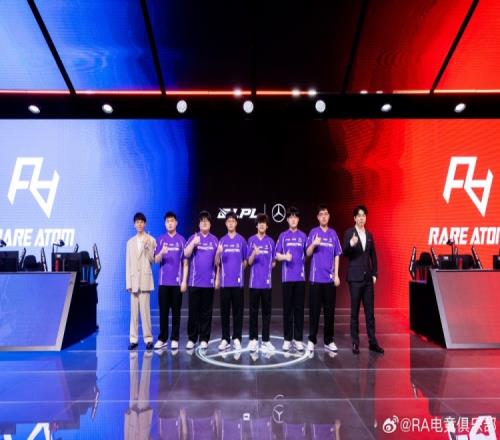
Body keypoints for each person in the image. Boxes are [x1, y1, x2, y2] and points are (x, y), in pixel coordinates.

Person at [342, 205, 384, 354]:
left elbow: (373, 256)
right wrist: (351, 244)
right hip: (355, 278)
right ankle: (355, 342)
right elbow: (344, 252)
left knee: (370, 313)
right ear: (354, 218)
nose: (361, 218)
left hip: (367, 280)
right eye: (359, 216)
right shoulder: (349, 233)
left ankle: (373, 342)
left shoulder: (369, 234)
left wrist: (374, 274)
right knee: (354, 313)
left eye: (363, 216)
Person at [306, 204, 342, 352]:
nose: (324, 217)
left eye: (326, 214)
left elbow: (337, 254)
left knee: (329, 312)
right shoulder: (313, 232)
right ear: (318, 217)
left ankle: (329, 340)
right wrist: (314, 244)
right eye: (321, 214)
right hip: (315, 280)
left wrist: (336, 275)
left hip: (329, 280)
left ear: (329, 216)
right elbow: (308, 253)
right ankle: (312, 340)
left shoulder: (333, 234)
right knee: (314, 312)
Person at [183, 211, 219, 350]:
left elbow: (218, 262)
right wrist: (193, 243)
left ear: (210, 224)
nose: (204, 223)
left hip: (208, 283)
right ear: (199, 224)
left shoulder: (215, 240)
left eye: (207, 221)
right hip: (194, 282)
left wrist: (217, 278)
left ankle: (204, 339)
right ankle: (192, 338)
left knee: (206, 313)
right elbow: (186, 254)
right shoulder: (193, 237)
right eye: (202, 220)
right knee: (193, 312)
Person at [153, 211, 187, 350]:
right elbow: (156, 260)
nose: (170, 223)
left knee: (176, 312)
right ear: (165, 224)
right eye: (167, 221)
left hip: (177, 283)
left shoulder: (182, 240)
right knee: (163, 312)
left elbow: (185, 263)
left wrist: (184, 281)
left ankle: (175, 339)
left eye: (172, 220)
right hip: (163, 283)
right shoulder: (160, 240)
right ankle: (162, 338)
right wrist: (162, 252)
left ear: (176, 223)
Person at [275, 207, 307, 351]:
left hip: (300, 278)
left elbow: (308, 253)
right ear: (287, 220)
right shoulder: (283, 236)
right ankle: (287, 339)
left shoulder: (303, 236)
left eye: (295, 217)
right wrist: (285, 257)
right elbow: (276, 255)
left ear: (298, 219)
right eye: (291, 217)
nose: (293, 220)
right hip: (287, 278)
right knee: (287, 310)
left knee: (299, 309)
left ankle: (298, 339)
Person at [216, 212, 248, 351]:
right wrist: (218, 252)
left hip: (238, 284)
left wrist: (240, 269)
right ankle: (225, 339)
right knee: (225, 313)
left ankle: (237, 338)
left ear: (236, 223)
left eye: (233, 221)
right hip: (224, 283)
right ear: (226, 224)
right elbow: (216, 263)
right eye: (228, 221)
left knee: (237, 313)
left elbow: (246, 261)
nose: (230, 223)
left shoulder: (242, 240)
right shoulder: (221, 241)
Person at [126, 212, 156, 350]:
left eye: (142, 222)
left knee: (145, 312)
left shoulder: (151, 240)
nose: (139, 224)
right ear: (134, 224)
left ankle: (148, 339)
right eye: (137, 222)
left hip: (145, 280)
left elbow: (152, 260)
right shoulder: (130, 242)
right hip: (134, 281)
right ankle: (133, 339)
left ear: (145, 224)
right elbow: (128, 264)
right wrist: (129, 283)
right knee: (134, 313)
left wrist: (147, 246)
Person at [247, 213, 276, 352]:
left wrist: (268, 266)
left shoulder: (271, 242)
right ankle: (253, 340)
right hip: (254, 284)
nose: (262, 225)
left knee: (266, 313)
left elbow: (274, 262)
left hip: (267, 284)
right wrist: (254, 253)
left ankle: (265, 340)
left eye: (264, 223)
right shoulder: (251, 240)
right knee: (253, 313)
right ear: (257, 225)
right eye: (260, 223)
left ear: (267, 226)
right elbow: (249, 261)